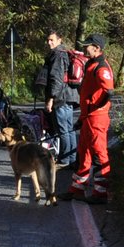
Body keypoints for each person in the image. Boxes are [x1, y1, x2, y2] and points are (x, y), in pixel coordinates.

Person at [67, 33, 115, 204]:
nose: (84, 47)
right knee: (84, 153)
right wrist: (82, 117)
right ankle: (77, 190)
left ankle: (101, 193)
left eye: (87, 45)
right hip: (89, 117)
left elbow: (109, 91)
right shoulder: (91, 64)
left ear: (97, 48)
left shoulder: (101, 67)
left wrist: (96, 108)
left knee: (100, 155)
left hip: (97, 118)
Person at [42, 30, 78, 167]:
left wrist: (51, 98)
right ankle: (72, 159)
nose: (49, 42)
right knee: (69, 130)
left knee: (63, 130)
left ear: (59, 40)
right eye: (48, 40)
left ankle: (65, 160)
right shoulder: (65, 54)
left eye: (52, 40)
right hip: (69, 96)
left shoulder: (57, 55)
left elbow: (56, 79)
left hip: (61, 97)